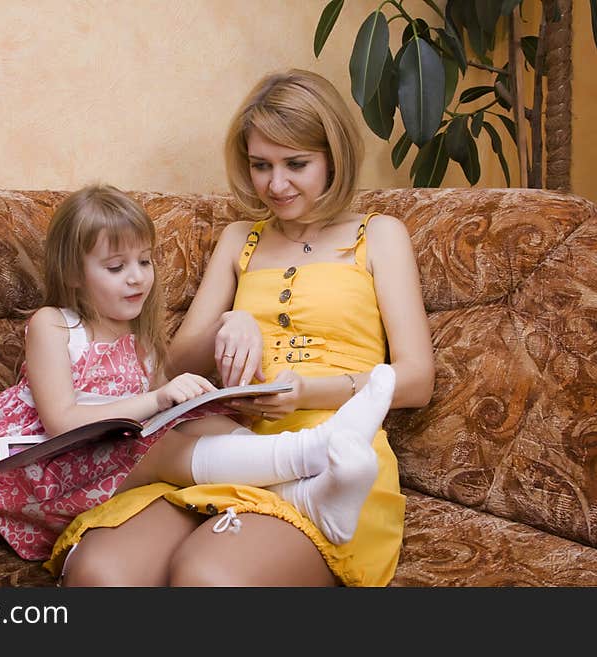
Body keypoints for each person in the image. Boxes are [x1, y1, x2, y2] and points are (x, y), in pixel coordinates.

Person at [48, 69, 435, 587]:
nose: (276, 185)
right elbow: (172, 367)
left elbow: (415, 379)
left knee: (209, 578)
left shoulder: (379, 236)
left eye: (296, 164)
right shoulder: (239, 240)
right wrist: (235, 321)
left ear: (334, 157)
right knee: (100, 574)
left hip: (334, 452)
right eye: (261, 165)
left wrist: (304, 394)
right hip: (219, 444)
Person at [0, 182, 398, 562]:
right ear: (73, 274)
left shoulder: (137, 338)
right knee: (159, 448)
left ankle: (312, 496)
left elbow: (161, 411)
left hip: (105, 460)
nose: (137, 279)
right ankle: (314, 449)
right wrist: (158, 397)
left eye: (145, 261)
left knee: (200, 419)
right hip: (36, 473)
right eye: (116, 267)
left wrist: (197, 394)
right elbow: (61, 421)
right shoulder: (54, 324)